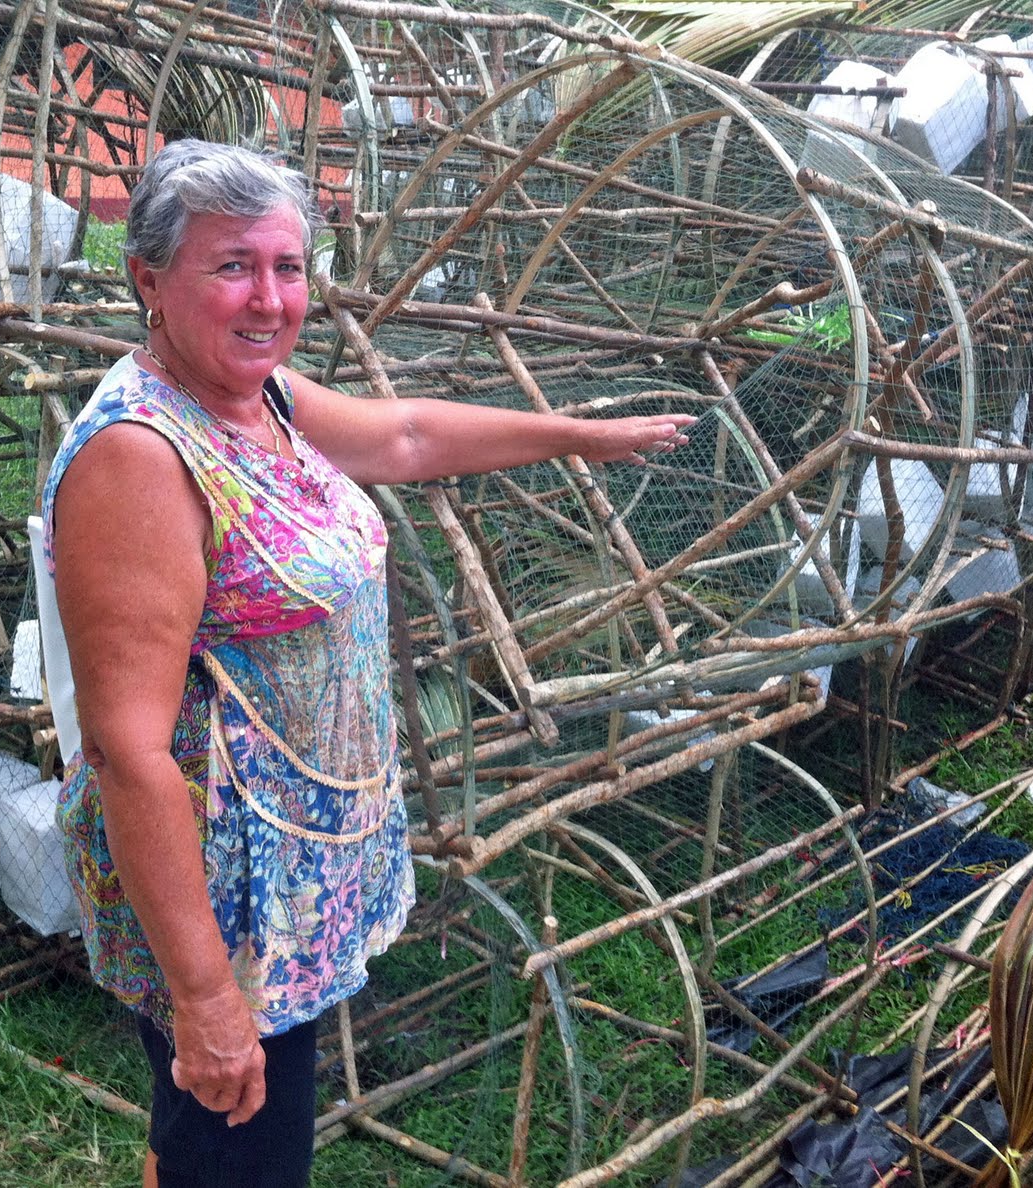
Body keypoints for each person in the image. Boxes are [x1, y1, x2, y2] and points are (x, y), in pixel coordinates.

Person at [43, 138, 694, 1188]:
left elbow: (401, 437)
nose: (268, 299)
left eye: (288, 266)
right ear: (148, 281)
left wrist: (577, 434)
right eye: (232, 267)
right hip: (223, 903)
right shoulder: (142, 456)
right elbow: (127, 751)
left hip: (285, 871)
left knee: (206, 1146)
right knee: (237, 1151)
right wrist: (208, 998)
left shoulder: (257, 398)